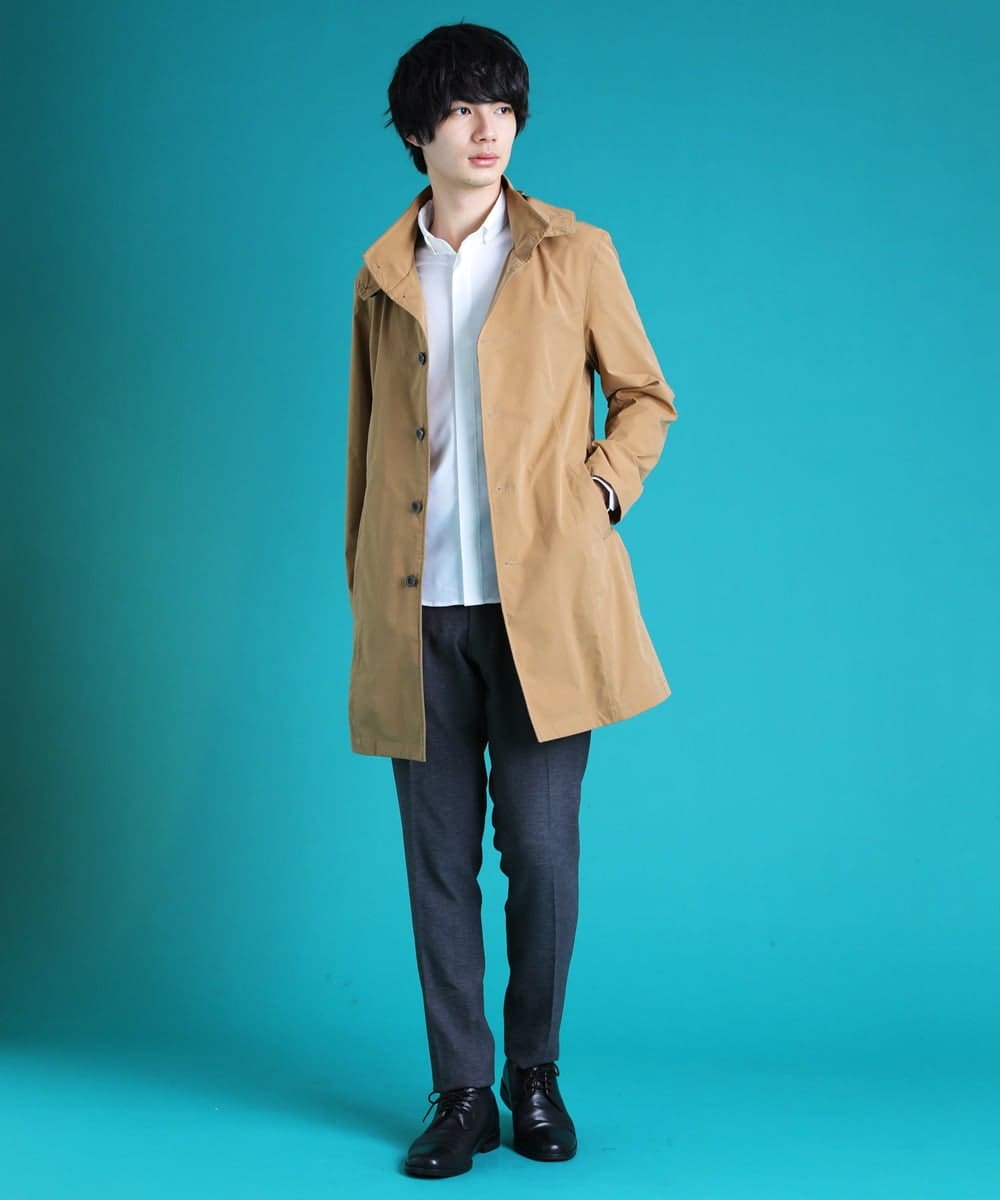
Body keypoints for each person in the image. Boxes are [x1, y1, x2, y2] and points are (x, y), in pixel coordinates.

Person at [344, 22, 678, 1179]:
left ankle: (534, 1074)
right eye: (460, 109)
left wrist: (602, 487)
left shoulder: (572, 252)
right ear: (416, 133)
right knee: (435, 865)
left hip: (540, 611)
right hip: (416, 612)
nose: (486, 130)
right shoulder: (382, 276)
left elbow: (644, 396)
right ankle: (461, 1093)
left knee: (540, 852)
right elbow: (366, 449)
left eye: (502, 108)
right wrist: (365, 591)